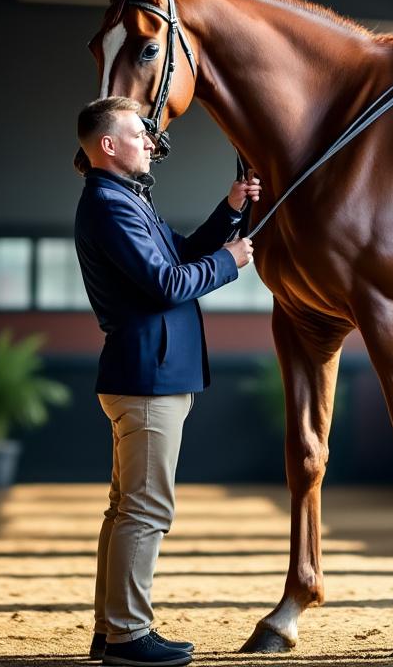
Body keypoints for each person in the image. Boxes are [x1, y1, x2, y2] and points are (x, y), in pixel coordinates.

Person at [73, 96, 260, 666]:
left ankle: (112, 631)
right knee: (147, 510)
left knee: (125, 508)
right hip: (147, 378)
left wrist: (229, 211)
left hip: (144, 373)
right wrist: (230, 262)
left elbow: (177, 254)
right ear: (108, 144)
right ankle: (129, 636)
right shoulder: (111, 205)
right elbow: (167, 285)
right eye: (139, 133)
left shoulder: (123, 199)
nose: (151, 142)